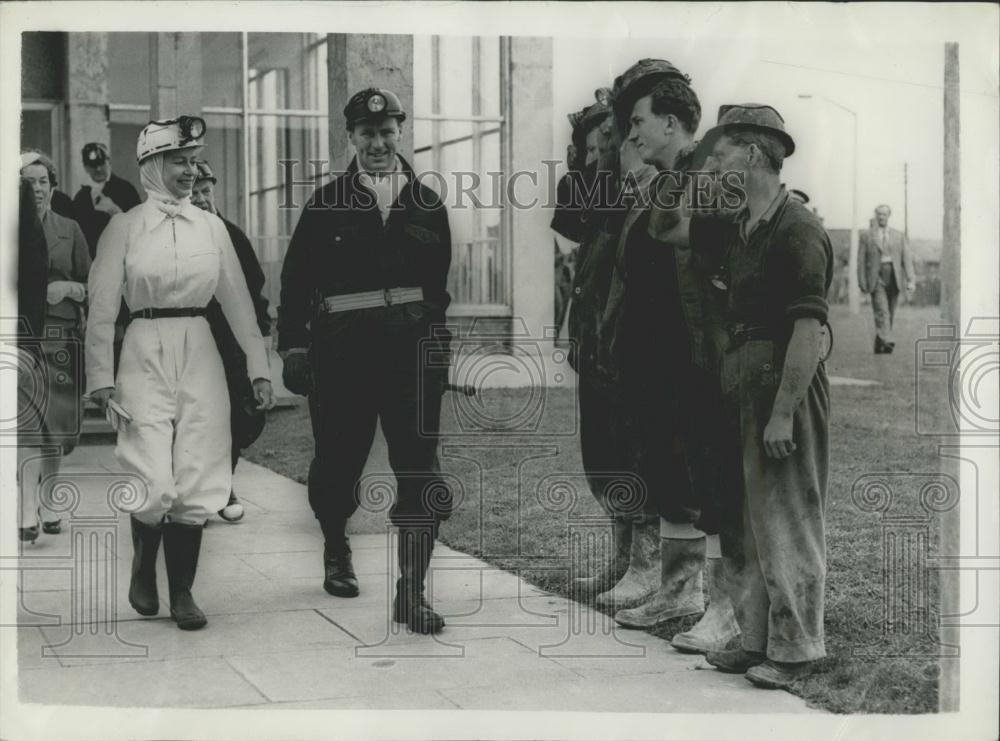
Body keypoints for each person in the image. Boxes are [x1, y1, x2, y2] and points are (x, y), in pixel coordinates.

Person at [86, 117, 274, 631]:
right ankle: (144, 566)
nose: (190, 172)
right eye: (179, 162)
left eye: (194, 162)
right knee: (150, 470)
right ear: (151, 165)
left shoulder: (212, 228)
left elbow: (239, 306)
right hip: (143, 348)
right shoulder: (122, 228)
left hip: (201, 350)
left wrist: (259, 370)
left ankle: (184, 591)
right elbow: (102, 308)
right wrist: (100, 376)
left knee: (199, 462)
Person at [279, 88, 453, 634]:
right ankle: (336, 544)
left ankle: (412, 591)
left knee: (420, 474)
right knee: (337, 465)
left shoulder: (427, 203)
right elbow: (294, 284)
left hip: (409, 358)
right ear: (350, 137)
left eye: (386, 132)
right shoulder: (324, 204)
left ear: (400, 133)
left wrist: (437, 345)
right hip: (343, 356)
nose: (377, 143)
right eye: (366, 134)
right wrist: (295, 348)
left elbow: (437, 290)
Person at [597, 60, 739, 652]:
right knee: (671, 474)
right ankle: (678, 589)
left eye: (639, 122)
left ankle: (726, 607)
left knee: (715, 481)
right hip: (657, 365)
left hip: (699, 363)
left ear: (673, 123)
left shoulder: (709, 183)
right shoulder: (656, 186)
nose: (630, 135)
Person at [696, 104, 833, 690]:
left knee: (786, 515)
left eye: (723, 151)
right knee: (745, 519)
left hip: (784, 388)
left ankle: (797, 648)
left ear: (753, 153)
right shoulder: (743, 226)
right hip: (741, 385)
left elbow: (807, 328)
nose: (715, 162)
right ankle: (755, 639)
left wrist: (783, 412)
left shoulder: (796, 226)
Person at [553, 92, 636, 596]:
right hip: (593, 343)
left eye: (603, 142)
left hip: (625, 349)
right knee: (602, 458)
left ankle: (641, 566)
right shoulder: (591, 190)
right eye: (587, 147)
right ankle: (623, 560)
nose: (595, 154)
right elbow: (571, 228)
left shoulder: (637, 191)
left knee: (631, 459)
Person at [191, 158, 272, 523]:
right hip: (192, 341)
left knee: (241, 418)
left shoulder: (232, 234)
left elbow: (255, 290)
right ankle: (214, 489)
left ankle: (222, 479)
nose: (201, 198)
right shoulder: (172, 236)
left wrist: (261, 338)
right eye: (193, 192)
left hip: (233, 342)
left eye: (205, 190)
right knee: (198, 416)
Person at [18, 151, 92, 542]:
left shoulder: (71, 229)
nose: (37, 190)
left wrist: (69, 288)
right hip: (24, 339)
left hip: (63, 338)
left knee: (58, 431)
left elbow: (95, 283)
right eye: (28, 182)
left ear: (53, 186)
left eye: (43, 181)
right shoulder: (8, 231)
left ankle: (49, 501)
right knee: (30, 426)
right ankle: (27, 509)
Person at [858, 204, 915, 353]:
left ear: (889, 216)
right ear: (876, 216)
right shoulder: (867, 235)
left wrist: (910, 280)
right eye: (879, 215)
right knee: (881, 310)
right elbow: (861, 261)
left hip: (894, 277)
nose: (881, 217)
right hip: (876, 278)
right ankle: (888, 339)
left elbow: (906, 260)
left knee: (889, 312)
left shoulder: (899, 236)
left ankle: (880, 342)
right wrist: (862, 283)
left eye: (884, 214)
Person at [72, 142, 142, 259]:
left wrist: (115, 211)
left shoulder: (126, 189)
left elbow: (140, 228)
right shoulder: (81, 197)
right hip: (92, 261)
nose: (98, 169)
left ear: (108, 161)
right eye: (93, 165)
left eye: (101, 163)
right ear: (85, 167)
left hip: (120, 258)